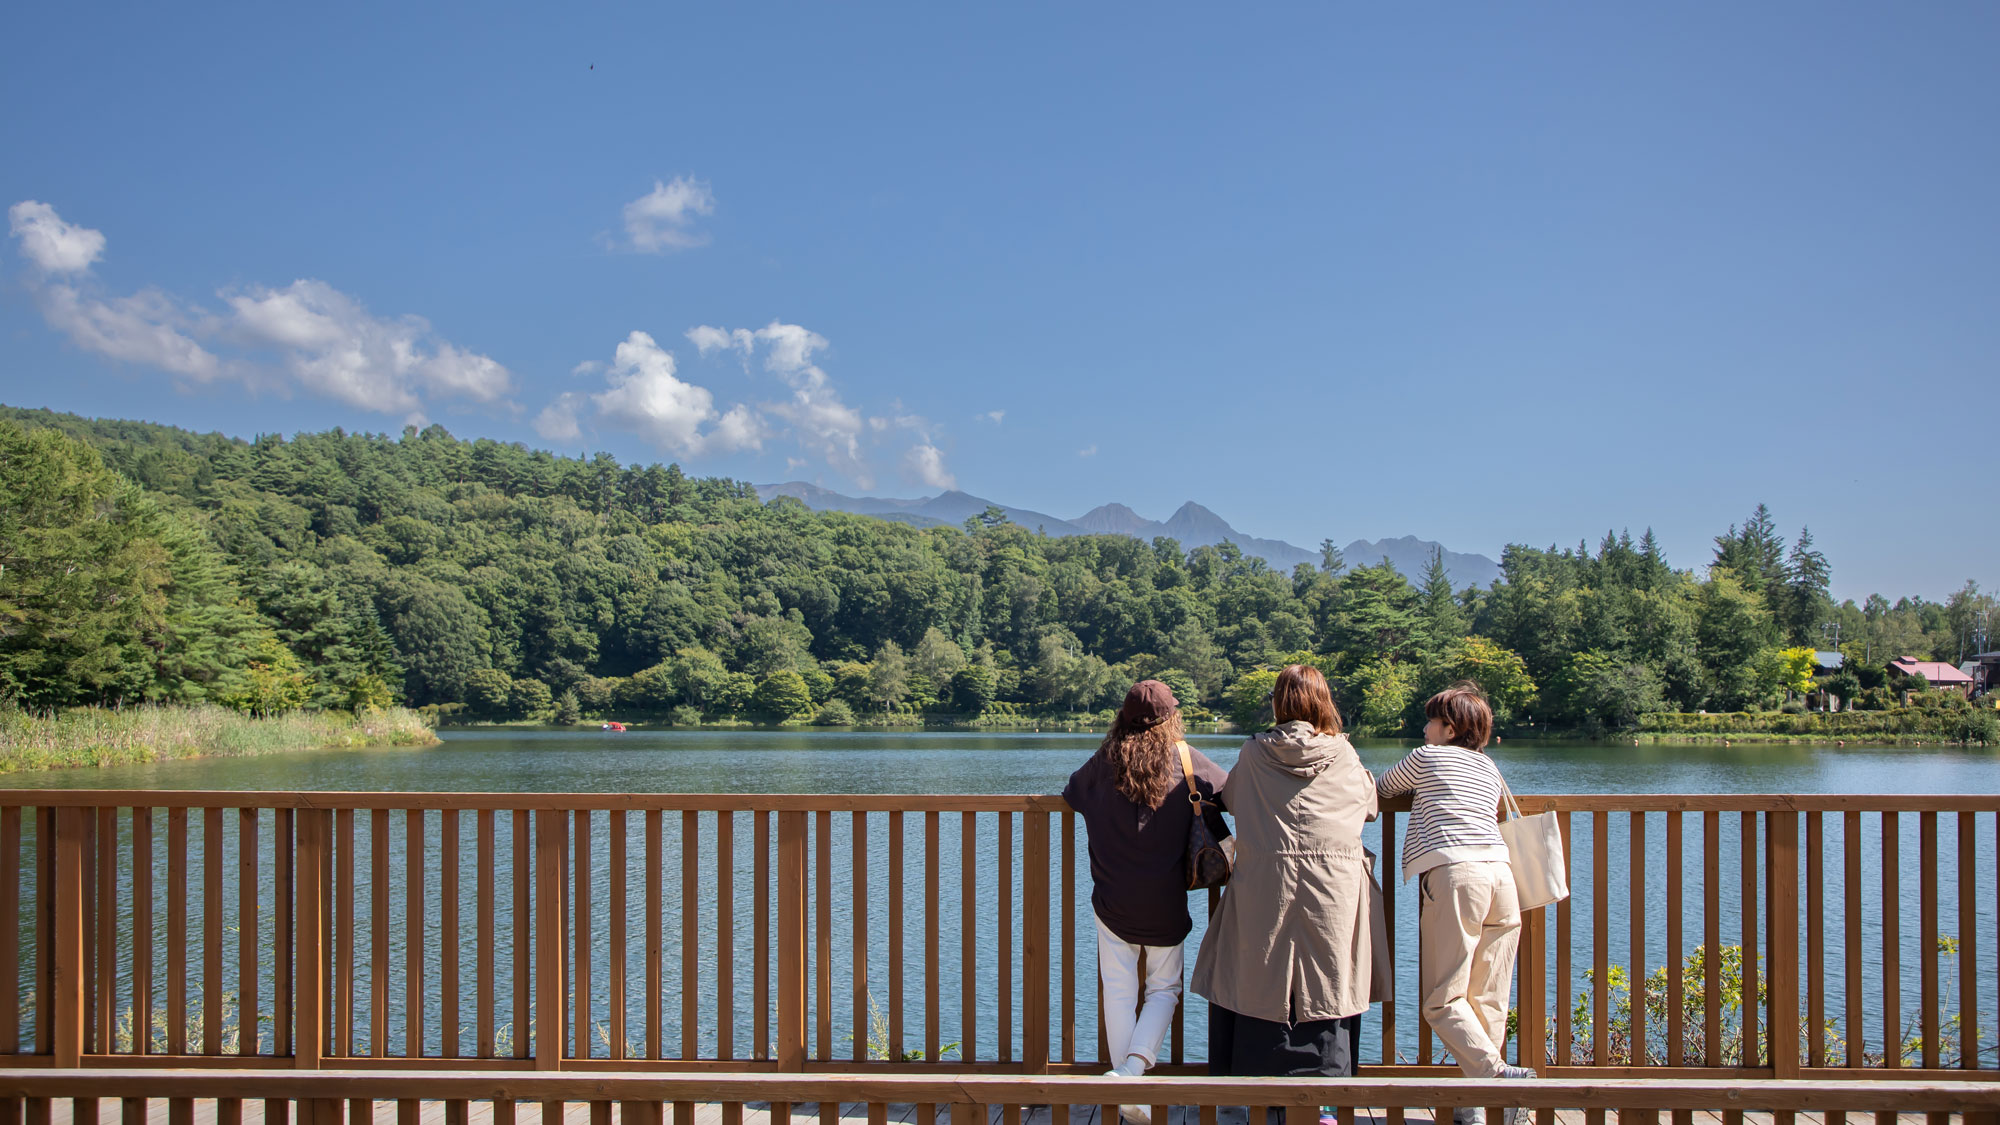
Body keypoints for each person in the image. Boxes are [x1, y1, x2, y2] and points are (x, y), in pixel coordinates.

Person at [1191, 664, 1377, 1078]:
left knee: (1257, 974)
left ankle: (1256, 1084)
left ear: (1278, 704)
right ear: (1324, 703)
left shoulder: (1255, 753)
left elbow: (1233, 798)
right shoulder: (1343, 753)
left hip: (1265, 883)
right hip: (1333, 887)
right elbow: (1369, 805)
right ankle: (1328, 1092)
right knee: (1329, 979)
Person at [1062, 679, 1230, 1110]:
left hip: (1112, 900)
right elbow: (1232, 791)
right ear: (1171, 717)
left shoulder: (1105, 761)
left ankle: (1126, 1088)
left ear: (1122, 718)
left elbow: (1072, 793)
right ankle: (1133, 1071)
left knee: (1118, 990)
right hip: (1165, 902)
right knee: (1163, 989)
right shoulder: (1186, 761)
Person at [1376, 683, 1536, 1125]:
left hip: (1457, 875)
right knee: (1488, 999)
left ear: (1448, 728)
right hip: (1503, 879)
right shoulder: (1489, 768)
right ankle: (1479, 1109)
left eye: (1430, 721)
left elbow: (1383, 788)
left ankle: (1495, 1078)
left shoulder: (1427, 757)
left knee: (1442, 1001)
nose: (1424, 728)